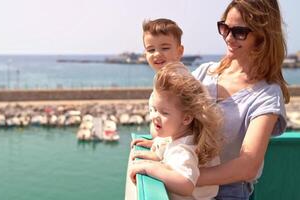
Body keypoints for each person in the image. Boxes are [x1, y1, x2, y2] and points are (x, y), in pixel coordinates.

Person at [192, 0, 289, 199]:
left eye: (239, 32)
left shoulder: (267, 94)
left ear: (262, 36)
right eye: (224, 27)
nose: (228, 37)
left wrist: (187, 175)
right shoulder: (204, 73)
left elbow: (248, 166)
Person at [129, 62, 223, 200]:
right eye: (154, 109)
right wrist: (157, 151)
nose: (155, 116)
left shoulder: (183, 150)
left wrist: (150, 169)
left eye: (164, 113)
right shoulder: (184, 136)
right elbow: (171, 153)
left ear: (186, 118)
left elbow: (186, 184)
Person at [124, 18, 185, 200]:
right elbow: (175, 124)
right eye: (151, 50)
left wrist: (161, 152)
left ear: (180, 51)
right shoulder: (167, 77)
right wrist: (158, 142)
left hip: (183, 161)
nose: (157, 54)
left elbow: (190, 127)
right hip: (175, 151)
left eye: (165, 48)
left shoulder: (178, 82)